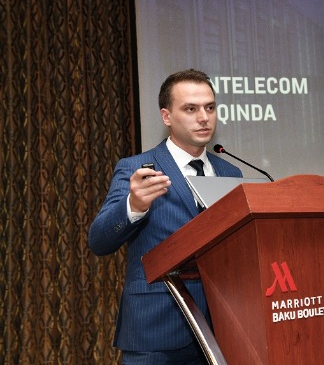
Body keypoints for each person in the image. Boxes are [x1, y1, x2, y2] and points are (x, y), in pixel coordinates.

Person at [88, 69, 242, 364]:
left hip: (221, 331)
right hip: (155, 331)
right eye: (190, 109)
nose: (204, 117)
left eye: (210, 107)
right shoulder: (136, 168)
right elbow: (99, 241)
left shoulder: (230, 172)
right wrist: (134, 205)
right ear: (166, 116)